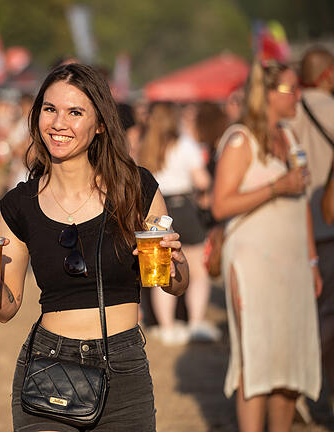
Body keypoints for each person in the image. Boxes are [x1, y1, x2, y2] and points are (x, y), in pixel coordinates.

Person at [0, 63, 189, 431]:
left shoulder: (135, 188)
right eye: (49, 110)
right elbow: (6, 309)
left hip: (123, 366)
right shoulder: (19, 205)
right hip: (47, 364)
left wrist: (176, 263)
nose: (58, 123)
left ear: (100, 123)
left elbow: (174, 285)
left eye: (75, 112)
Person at [212, 60, 322, 431]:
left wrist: (312, 261)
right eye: (291, 89)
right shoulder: (241, 139)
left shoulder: (289, 137)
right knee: (257, 360)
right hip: (253, 264)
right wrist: (277, 187)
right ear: (268, 93)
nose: (298, 96)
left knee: (290, 359)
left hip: (292, 264)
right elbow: (220, 205)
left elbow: (302, 201)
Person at [137, 102, 217, 345]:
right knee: (197, 269)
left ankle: (166, 326)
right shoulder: (185, 144)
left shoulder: (144, 145)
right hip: (184, 207)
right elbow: (202, 181)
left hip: (154, 208)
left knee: (159, 269)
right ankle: (194, 322)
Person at [289, 46, 334, 400]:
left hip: (296, 228)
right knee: (328, 316)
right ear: (326, 75)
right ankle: (305, 387)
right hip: (330, 230)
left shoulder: (288, 115)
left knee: (305, 313)